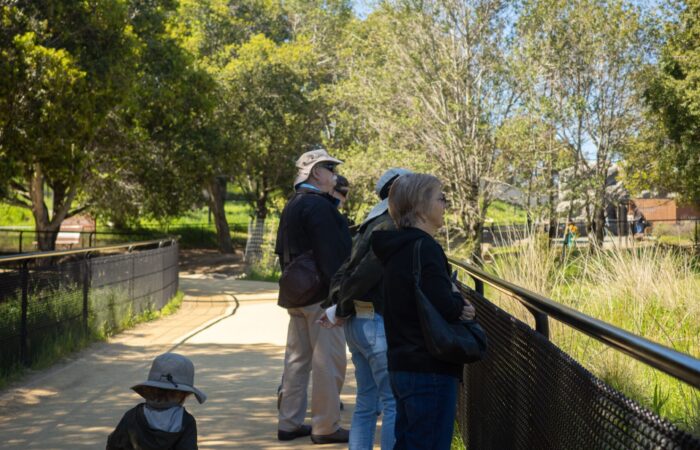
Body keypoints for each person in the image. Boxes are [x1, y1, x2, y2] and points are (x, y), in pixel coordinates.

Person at [370, 173, 476, 450]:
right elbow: (446, 306)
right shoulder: (425, 248)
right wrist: (461, 305)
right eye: (441, 198)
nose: (445, 204)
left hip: (402, 363)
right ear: (419, 206)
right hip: (429, 366)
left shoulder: (394, 248)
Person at [322, 168, 411, 449]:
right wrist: (340, 308)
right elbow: (365, 273)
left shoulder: (370, 222)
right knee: (393, 403)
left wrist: (338, 306)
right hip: (375, 323)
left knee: (366, 403)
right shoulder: (391, 224)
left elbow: (346, 269)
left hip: (359, 324)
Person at [274, 147, 352, 444]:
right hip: (320, 296)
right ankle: (325, 427)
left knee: (296, 361)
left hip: (296, 295)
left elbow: (282, 252)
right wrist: (338, 301)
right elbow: (333, 257)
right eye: (330, 168)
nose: (334, 174)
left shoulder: (294, 204)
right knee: (327, 363)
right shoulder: (320, 207)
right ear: (316, 172)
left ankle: (289, 422)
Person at [106, 352, 206, 450]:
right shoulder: (185, 422)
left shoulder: (132, 416)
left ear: (149, 389)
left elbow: (114, 445)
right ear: (184, 394)